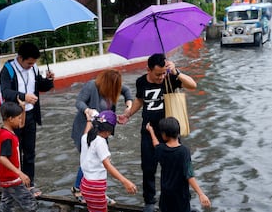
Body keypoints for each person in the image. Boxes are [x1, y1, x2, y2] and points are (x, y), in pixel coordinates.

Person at [118, 53, 197, 212]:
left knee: (177, 168)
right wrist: (128, 114)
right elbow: (140, 100)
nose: (161, 77)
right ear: (148, 69)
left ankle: (181, 200)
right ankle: (149, 201)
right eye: (157, 74)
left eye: (163, 73)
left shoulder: (170, 77)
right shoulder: (141, 81)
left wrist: (177, 73)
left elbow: (192, 85)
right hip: (149, 130)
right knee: (148, 167)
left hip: (170, 131)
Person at [0, 42, 55, 197]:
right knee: (15, 154)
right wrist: (23, 97)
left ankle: (29, 183)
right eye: (29, 63)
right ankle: (17, 183)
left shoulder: (34, 68)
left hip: (30, 115)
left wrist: (48, 81)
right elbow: (6, 92)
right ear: (20, 58)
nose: (31, 66)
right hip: (14, 117)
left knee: (30, 152)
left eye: (34, 63)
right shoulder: (8, 70)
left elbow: (40, 87)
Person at [71, 69, 133, 204]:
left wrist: (128, 106)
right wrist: (88, 111)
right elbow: (79, 102)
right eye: (114, 87)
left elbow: (127, 91)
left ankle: (93, 191)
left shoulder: (114, 86)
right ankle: (79, 189)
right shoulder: (92, 86)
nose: (115, 90)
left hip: (102, 131)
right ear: (107, 83)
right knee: (88, 160)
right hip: (86, 129)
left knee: (98, 160)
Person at [146, 117, 211, 212]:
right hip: (181, 196)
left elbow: (156, 144)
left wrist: (151, 131)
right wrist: (201, 193)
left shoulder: (161, 150)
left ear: (164, 134)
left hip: (166, 195)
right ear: (178, 132)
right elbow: (189, 174)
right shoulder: (184, 151)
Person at [80, 110, 137, 212]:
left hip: (85, 184)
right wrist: (125, 181)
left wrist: (89, 119)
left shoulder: (85, 137)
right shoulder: (100, 142)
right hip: (95, 187)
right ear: (108, 131)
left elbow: (88, 128)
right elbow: (108, 165)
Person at [0, 100, 38, 212]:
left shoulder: (5, 130)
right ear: (10, 119)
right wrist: (20, 173)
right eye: (18, 118)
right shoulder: (7, 137)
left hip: (6, 178)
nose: (20, 120)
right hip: (12, 178)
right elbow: (2, 157)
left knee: (7, 204)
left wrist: (23, 109)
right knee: (30, 203)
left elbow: (21, 124)